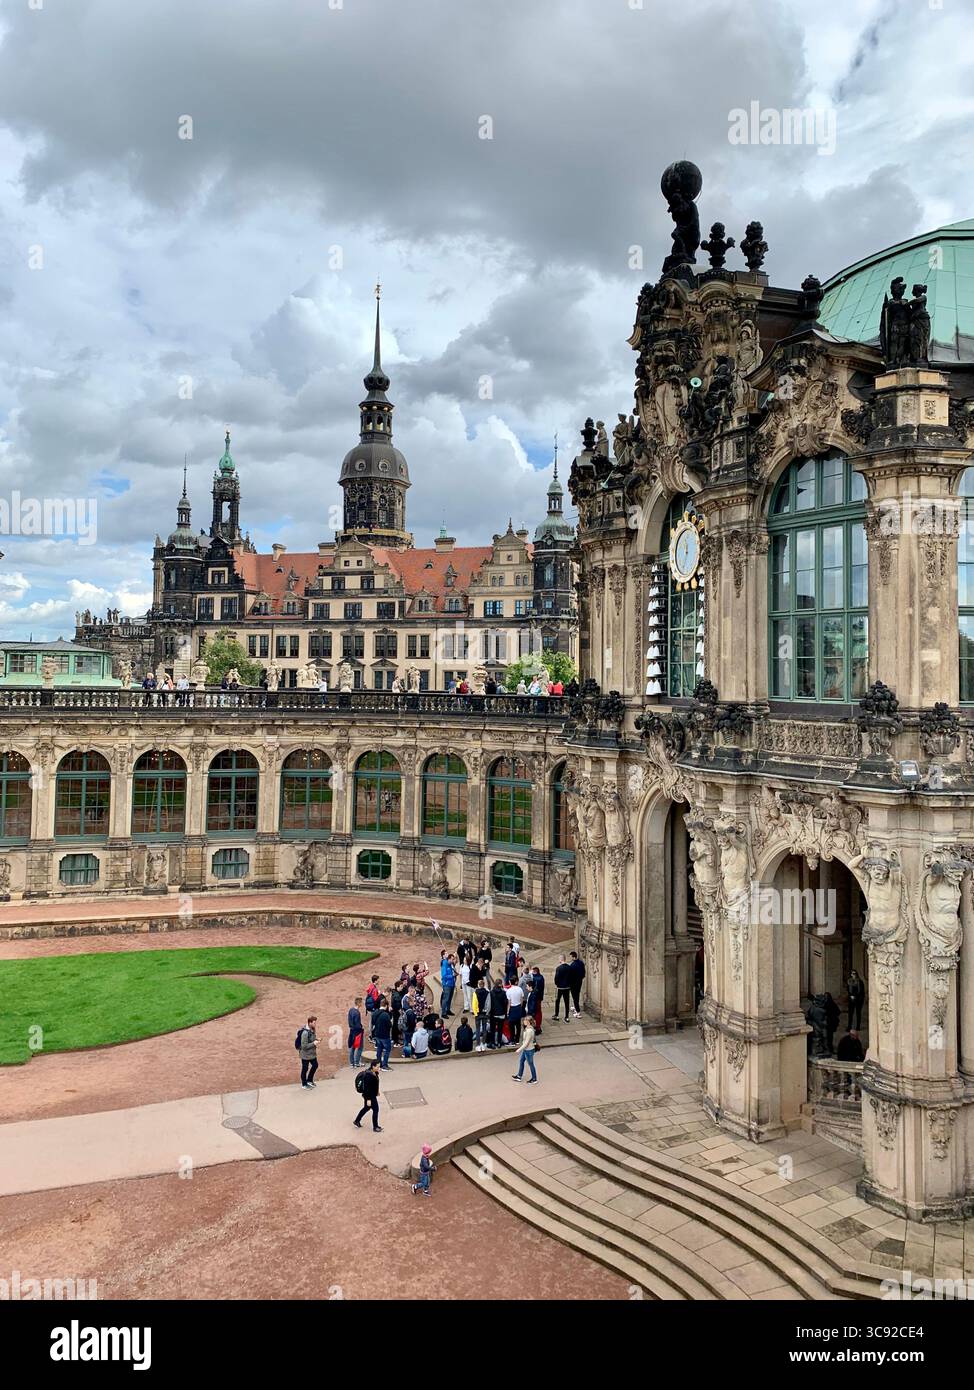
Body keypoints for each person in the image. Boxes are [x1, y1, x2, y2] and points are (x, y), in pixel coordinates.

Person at [353, 1060, 383, 1131]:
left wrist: (377, 1091)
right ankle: (375, 1127)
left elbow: (375, 1084)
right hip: (369, 1096)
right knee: (376, 1110)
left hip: (372, 1094)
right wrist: (368, 1099)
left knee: (366, 1108)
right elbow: (367, 1089)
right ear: (373, 1066)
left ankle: (357, 1121)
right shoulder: (369, 1076)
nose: (379, 1068)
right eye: (377, 1067)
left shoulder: (374, 1072)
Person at [511, 1017, 538, 1083]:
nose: (523, 1021)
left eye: (525, 1020)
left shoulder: (529, 1031)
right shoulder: (528, 1028)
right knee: (521, 1061)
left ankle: (534, 1079)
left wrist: (519, 1049)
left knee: (531, 1064)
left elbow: (526, 1043)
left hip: (529, 1050)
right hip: (526, 1049)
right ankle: (519, 1076)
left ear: (528, 1022)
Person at [373, 997, 393, 1070]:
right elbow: (390, 1025)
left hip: (377, 1034)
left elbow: (373, 1023)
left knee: (379, 1049)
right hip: (385, 1036)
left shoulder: (375, 1013)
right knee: (387, 1050)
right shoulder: (386, 1015)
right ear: (386, 1006)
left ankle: (378, 1064)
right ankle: (384, 1065)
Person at [298, 1015, 318, 1088]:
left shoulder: (312, 1029)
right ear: (310, 1023)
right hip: (305, 1055)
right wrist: (314, 1043)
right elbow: (304, 1046)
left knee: (315, 1065)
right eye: (314, 1023)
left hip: (311, 1054)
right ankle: (304, 1084)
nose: (315, 1024)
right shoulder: (305, 1033)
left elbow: (312, 1039)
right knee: (305, 1069)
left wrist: (316, 1040)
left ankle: (309, 1080)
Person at [489, 979, 508, 1049]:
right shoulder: (503, 993)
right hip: (501, 1013)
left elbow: (489, 1003)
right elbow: (505, 1003)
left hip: (493, 1013)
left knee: (492, 1029)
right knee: (500, 1029)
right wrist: (505, 1014)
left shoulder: (491, 992)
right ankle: (499, 1042)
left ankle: (493, 1042)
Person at [506, 976, 525, 1046]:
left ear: (510, 982)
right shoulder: (520, 989)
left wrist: (507, 1011)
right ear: (516, 982)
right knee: (518, 1024)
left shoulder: (509, 991)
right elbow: (522, 998)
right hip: (518, 1007)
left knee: (511, 1025)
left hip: (512, 1008)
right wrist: (521, 1006)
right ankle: (517, 1039)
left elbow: (509, 1002)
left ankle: (512, 1039)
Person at [472, 979, 491, 1051]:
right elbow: (489, 1003)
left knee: (477, 1029)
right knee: (484, 1029)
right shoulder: (487, 992)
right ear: (484, 985)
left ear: (478, 985)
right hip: (485, 1013)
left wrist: (475, 1013)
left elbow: (474, 1004)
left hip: (478, 1013)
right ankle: (483, 1043)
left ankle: (478, 1044)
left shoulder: (475, 993)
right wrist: (487, 1012)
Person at [553, 956, 572, 1022]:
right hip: (567, 987)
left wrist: (557, 984)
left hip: (560, 988)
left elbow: (556, 978)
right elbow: (571, 978)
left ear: (561, 959)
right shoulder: (569, 967)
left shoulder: (559, 968)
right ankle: (567, 1017)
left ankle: (556, 1015)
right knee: (567, 1002)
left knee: (557, 1001)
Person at [347, 997, 365, 1068]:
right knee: (360, 1047)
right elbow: (357, 1024)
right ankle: (357, 1062)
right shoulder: (357, 1013)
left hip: (352, 1031)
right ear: (359, 1003)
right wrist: (361, 1028)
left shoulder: (351, 1010)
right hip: (358, 1032)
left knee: (352, 1047)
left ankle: (352, 1063)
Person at [567, 950, 586, 1017]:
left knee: (575, 997)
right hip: (579, 982)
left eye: (571, 957)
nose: (570, 958)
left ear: (573, 957)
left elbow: (570, 976)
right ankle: (575, 1007)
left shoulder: (572, 965)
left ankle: (578, 1012)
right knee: (577, 995)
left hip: (573, 984)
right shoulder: (581, 963)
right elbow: (584, 973)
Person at [440, 952, 456, 1018]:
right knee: (445, 999)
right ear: (449, 959)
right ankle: (443, 1013)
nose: (453, 961)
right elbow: (443, 976)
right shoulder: (444, 965)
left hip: (452, 984)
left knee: (450, 998)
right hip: (446, 984)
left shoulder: (451, 964)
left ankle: (448, 1010)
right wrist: (452, 975)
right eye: (452, 959)